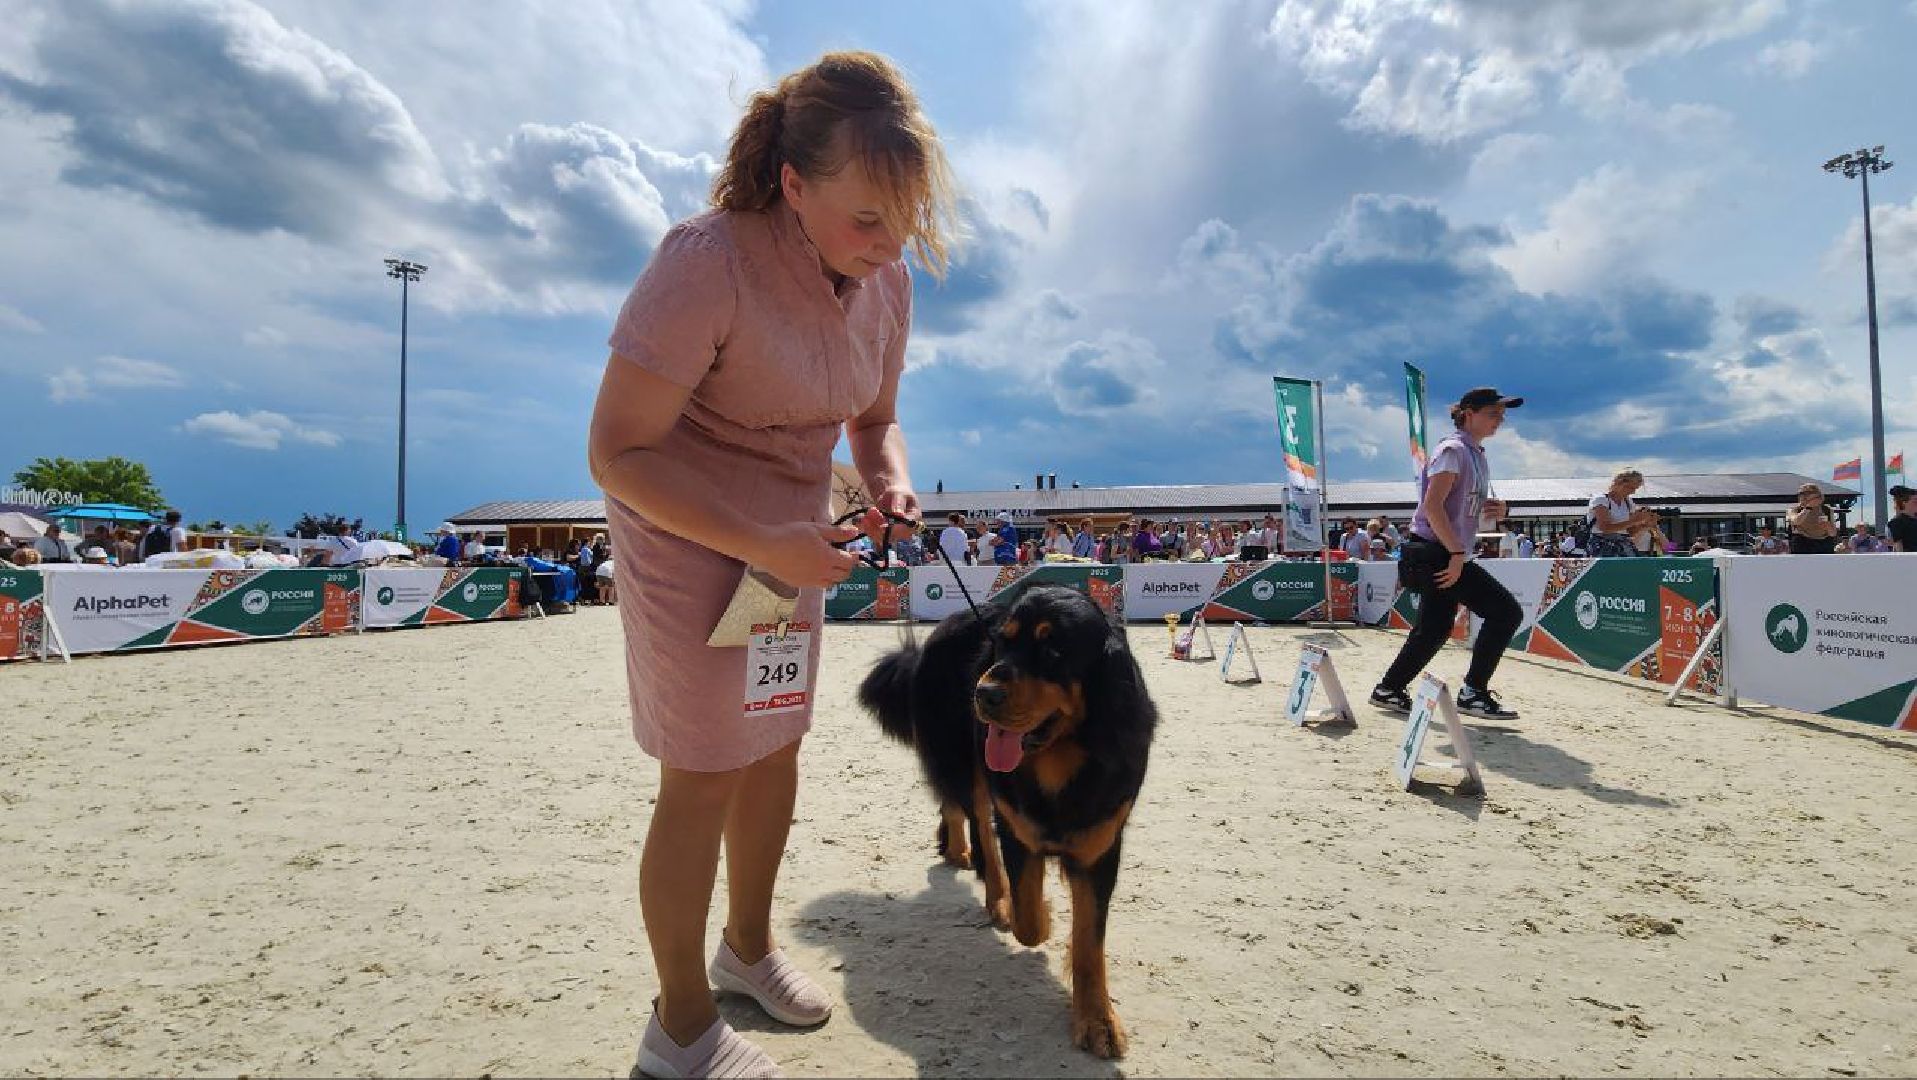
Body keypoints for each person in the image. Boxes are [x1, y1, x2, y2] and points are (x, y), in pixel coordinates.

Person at [585, 50, 951, 1078]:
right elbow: (617, 449)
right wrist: (764, 541)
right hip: (689, 529)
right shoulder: (705, 259)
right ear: (793, 184)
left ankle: (746, 950)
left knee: (776, 748)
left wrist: (887, 481)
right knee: (701, 773)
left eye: (906, 222)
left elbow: (876, 421)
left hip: (796, 541)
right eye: (865, 220)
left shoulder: (888, 285)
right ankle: (683, 1025)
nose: (886, 249)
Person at [1371, 387, 1526, 720]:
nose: (1500, 420)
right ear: (1469, 414)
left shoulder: (1474, 453)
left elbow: (1458, 508)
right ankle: (1473, 692)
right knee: (1506, 613)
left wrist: (1496, 510)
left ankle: (1389, 689)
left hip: (1441, 550)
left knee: (1435, 629)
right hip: (1438, 551)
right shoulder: (1453, 450)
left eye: (1502, 414)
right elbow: (1432, 506)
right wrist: (1457, 553)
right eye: (1493, 413)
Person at [1586, 470, 1655, 558]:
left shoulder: (1628, 502)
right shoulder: (1601, 499)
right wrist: (1635, 520)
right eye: (1630, 488)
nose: (1633, 492)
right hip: (1602, 545)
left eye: (1635, 489)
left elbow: (1630, 532)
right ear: (1619, 483)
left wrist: (1644, 526)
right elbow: (1604, 527)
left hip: (1624, 546)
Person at [1787, 484, 1839, 554]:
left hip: (1823, 544)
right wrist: (1808, 507)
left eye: (1807, 493)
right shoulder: (1794, 509)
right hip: (1802, 543)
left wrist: (1828, 526)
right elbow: (1796, 521)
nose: (1803, 496)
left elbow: (1833, 534)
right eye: (1801, 494)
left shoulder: (1827, 510)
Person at [1889, 485, 1916, 553]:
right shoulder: (1897, 522)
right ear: (1905, 503)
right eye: (1915, 501)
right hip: (1911, 560)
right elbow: (1899, 549)